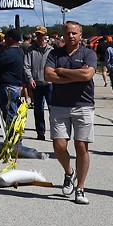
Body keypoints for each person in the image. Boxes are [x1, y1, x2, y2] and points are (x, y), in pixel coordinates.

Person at [45, 20, 98, 205]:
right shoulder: (54, 53)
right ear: (63, 35)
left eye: (75, 33)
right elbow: (48, 75)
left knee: (81, 146)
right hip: (59, 104)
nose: (71, 36)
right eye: (68, 33)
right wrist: (73, 77)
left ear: (80, 35)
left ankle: (80, 188)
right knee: (59, 145)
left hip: (83, 104)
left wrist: (62, 72)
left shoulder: (88, 54)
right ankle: (69, 172)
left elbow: (87, 75)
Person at [0, 28, 26, 128]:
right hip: (15, 85)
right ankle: (13, 137)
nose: (4, 40)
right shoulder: (20, 51)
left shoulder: (9, 52)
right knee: (11, 111)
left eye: (5, 38)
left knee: (9, 113)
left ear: (10, 38)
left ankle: (13, 138)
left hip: (8, 86)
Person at [23, 27, 53, 141]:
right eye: (38, 35)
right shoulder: (30, 50)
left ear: (45, 35)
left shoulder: (51, 50)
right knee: (38, 109)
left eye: (41, 35)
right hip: (36, 83)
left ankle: (55, 132)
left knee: (53, 109)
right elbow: (26, 65)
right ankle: (40, 132)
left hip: (49, 83)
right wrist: (30, 79)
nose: (39, 37)